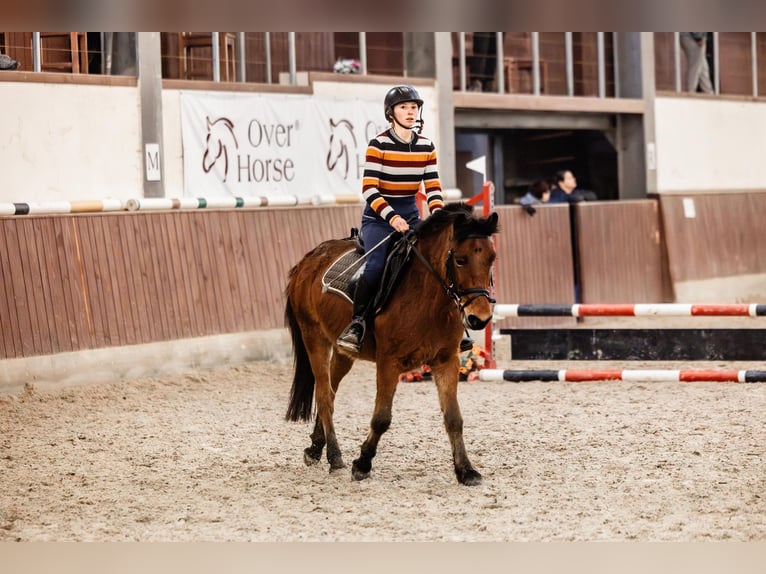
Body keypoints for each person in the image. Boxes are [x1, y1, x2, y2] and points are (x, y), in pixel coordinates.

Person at [336, 85, 472, 354]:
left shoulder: (426, 146)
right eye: (403, 108)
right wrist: (392, 217)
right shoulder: (378, 144)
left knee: (437, 262)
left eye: (413, 108)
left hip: (411, 213)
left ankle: (453, 323)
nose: (410, 112)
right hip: (378, 217)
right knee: (375, 265)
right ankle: (358, 323)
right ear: (391, 113)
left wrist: (437, 214)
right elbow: (370, 189)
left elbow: (432, 187)